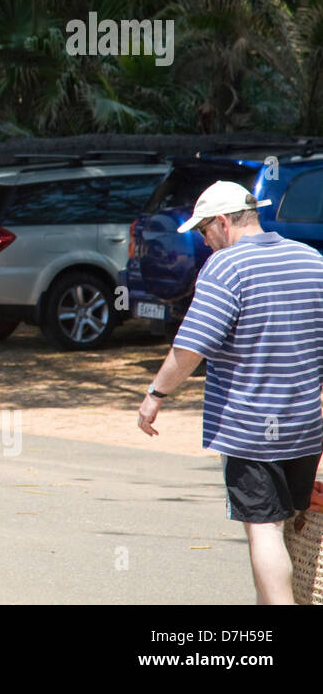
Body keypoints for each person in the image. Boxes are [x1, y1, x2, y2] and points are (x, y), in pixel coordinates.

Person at [138, 180, 323, 604]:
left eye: (204, 231)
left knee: (265, 530)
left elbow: (191, 345)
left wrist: (156, 395)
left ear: (223, 222)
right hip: (304, 426)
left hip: (249, 425)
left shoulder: (227, 267)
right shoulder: (311, 260)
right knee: (285, 533)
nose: (205, 242)